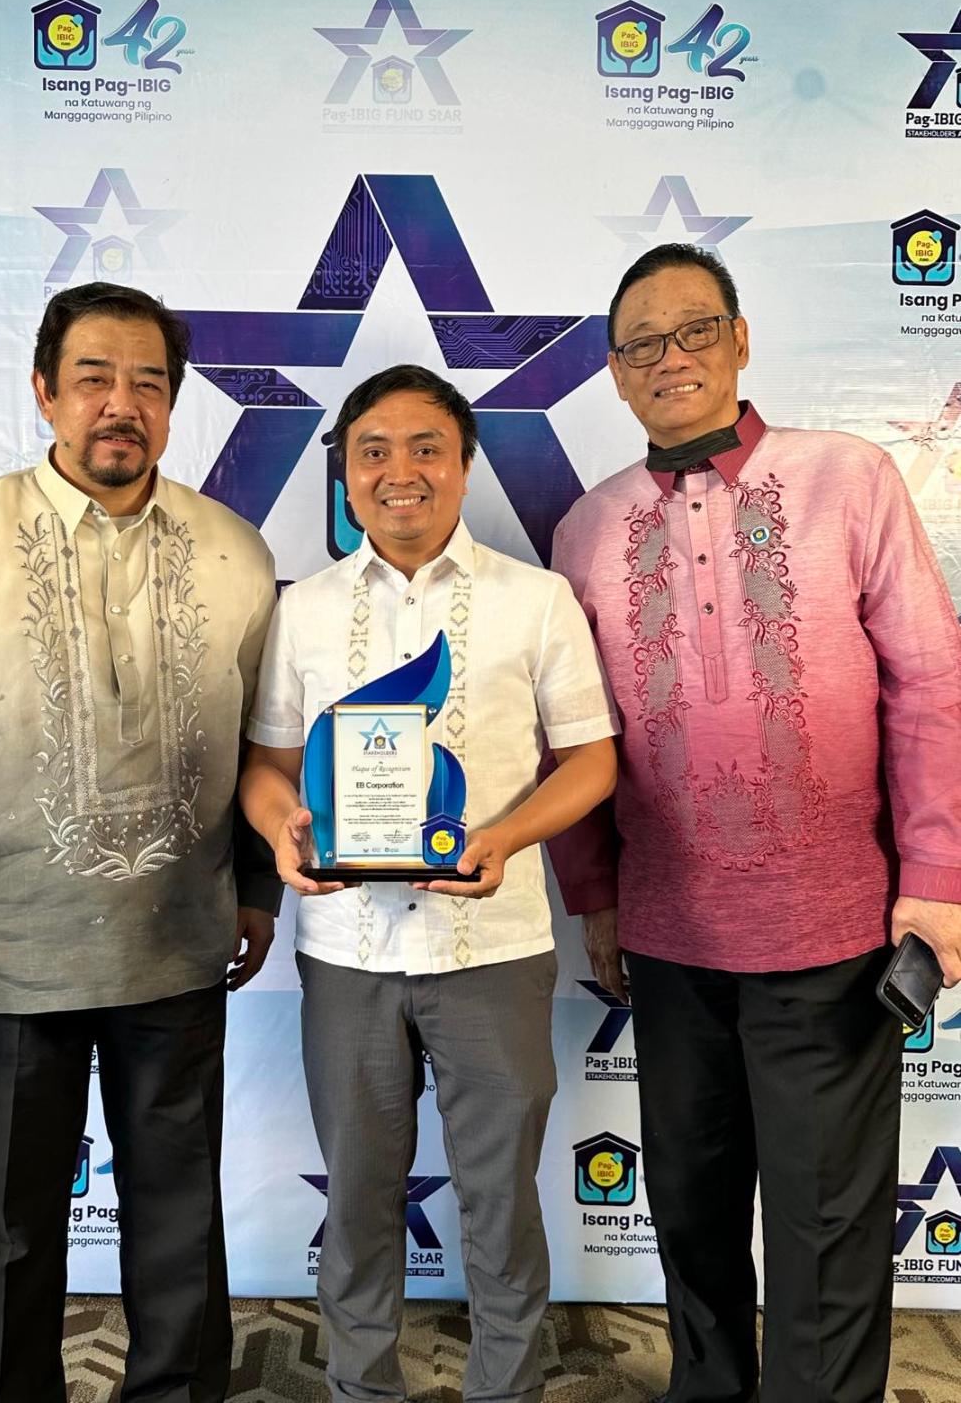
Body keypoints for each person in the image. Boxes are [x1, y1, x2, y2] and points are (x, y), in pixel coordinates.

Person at [548, 242, 961, 1403]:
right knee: (690, 1208)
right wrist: (596, 896)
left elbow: (932, 687)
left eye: (695, 330)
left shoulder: (849, 479)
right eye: (642, 343)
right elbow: (570, 732)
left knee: (827, 1227)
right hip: (671, 939)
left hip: (834, 936)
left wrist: (936, 881)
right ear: (615, 373)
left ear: (738, 340)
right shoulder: (585, 529)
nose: (670, 357)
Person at [0, 282, 280, 1403]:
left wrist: (257, 889)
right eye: (94, 377)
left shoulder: (233, 551)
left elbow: (266, 742)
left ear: (173, 404)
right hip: (18, 952)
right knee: (11, 1230)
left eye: (148, 382)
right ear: (45, 392)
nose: (121, 403)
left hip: (180, 944)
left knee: (178, 1221)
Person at [240, 364, 619, 1403]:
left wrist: (504, 836)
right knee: (359, 1196)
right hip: (347, 953)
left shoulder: (536, 600)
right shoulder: (305, 609)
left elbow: (591, 760)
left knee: (500, 1198)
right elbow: (268, 766)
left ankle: (507, 1388)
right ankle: (362, 1386)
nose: (398, 470)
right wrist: (280, 831)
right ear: (345, 474)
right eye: (373, 451)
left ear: (463, 465)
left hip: (492, 948)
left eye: (425, 448)